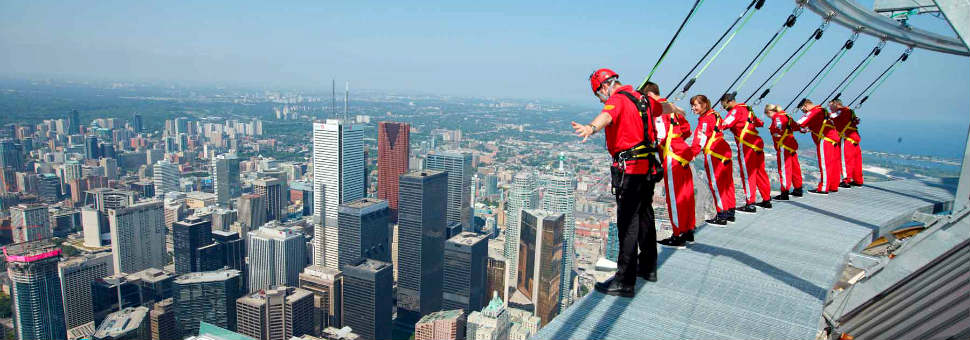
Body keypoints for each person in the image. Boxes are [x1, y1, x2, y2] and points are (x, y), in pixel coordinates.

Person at [572, 68, 661, 297]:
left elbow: (607, 116)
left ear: (603, 87)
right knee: (645, 215)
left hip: (630, 171)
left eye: (598, 94)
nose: (601, 98)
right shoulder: (643, 98)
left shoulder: (617, 100)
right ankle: (648, 266)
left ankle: (625, 281)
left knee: (627, 224)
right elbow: (667, 107)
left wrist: (591, 128)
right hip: (648, 167)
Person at [641, 82, 696, 249]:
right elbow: (687, 130)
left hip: (672, 157)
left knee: (674, 197)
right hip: (683, 155)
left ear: (649, 95)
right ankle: (688, 230)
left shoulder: (658, 111)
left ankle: (678, 235)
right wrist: (678, 142)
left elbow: (660, 137)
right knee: (686, 196)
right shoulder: (673, 109)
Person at [718, 93, 772, 212]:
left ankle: (750, 203)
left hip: (746, 145)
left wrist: (714, 123)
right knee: (760, 172)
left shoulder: (735, 111)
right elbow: (758, 123)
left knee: (748, 174)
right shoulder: (747, 108)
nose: (724, 108)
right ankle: (766, 200)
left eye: (724, 105)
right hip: (757, 144)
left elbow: (725, 124)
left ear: (729, 101)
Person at [689, 95, 736, 225]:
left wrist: (693, 152)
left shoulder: (704, 120)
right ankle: (730, 212)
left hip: (714, 154)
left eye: (695, 105)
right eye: (692, 105)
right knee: (727, 183)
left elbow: (700, 138)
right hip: (724, 151)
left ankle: (721, 215)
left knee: (715, 184)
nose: (693, 108)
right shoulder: (715, 115)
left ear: (704, 105)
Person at [796, 98, 842, 194]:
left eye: (802, 109)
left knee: (824, 165)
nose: (803, 111)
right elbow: (808, 126)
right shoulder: (822, 110)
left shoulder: (814, 111)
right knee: (833, 165)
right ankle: (833, 186)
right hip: (833, 139)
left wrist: (787, 124)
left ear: (806, 105)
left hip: (825, 140)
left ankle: (823, 188)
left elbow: (800, 123)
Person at [765, 104, 804, 200]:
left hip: (784, 146)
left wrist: (776, 133)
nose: (769, 117)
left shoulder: (777, 117)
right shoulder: (787, 116)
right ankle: (798, 189)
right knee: (795, 168)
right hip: (791, 145)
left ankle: (784, 192)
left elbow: (779, 127)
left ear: (769, 112)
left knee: (784, 169)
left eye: (768, 115)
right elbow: (796, 127)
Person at [829, 99, 863, 187]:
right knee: (856, 161)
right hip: (855, 138)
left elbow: (830, 116)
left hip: (847, 138)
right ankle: (858, 180)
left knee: (845, 160)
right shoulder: (849, 111)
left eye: (830, 106)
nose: (829, 108)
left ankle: (846, 180)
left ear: (836, 105)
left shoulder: (840, 111)